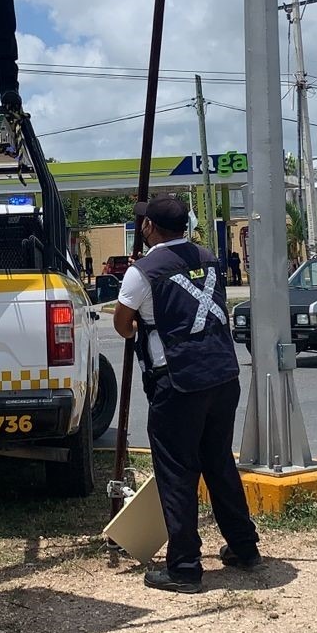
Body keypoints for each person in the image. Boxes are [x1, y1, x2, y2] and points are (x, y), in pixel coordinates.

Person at [112, 195, 260, 593]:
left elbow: (122, 325)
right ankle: (244, 547)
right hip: (222, 374)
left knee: (177, 472)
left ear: (148, 228)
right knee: (218, 463)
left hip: (177, 381)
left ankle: (184, 566)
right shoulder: (209, 257)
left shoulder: (142, 272)